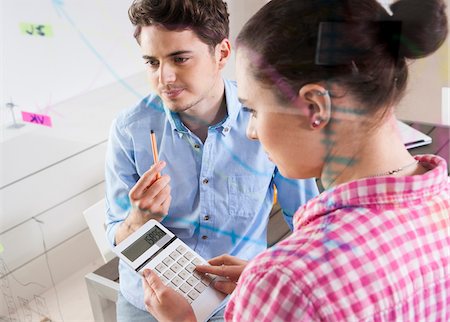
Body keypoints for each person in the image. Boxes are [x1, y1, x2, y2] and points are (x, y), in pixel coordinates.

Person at [140, 0, 450, 320]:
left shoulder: (291, 281)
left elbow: (305, 286)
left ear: (315, 107)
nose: (251, 132)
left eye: (254, 110)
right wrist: (269, 288)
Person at [104, 0, 319, 321]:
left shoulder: (267, 120)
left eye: (180, 58)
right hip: (149, 301)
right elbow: (117, 236)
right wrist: (139, 220)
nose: (164, 78)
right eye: (152, 62)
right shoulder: (130, 129)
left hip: (236, 296)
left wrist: (274, 279)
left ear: (221, 54)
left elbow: (307, 224)